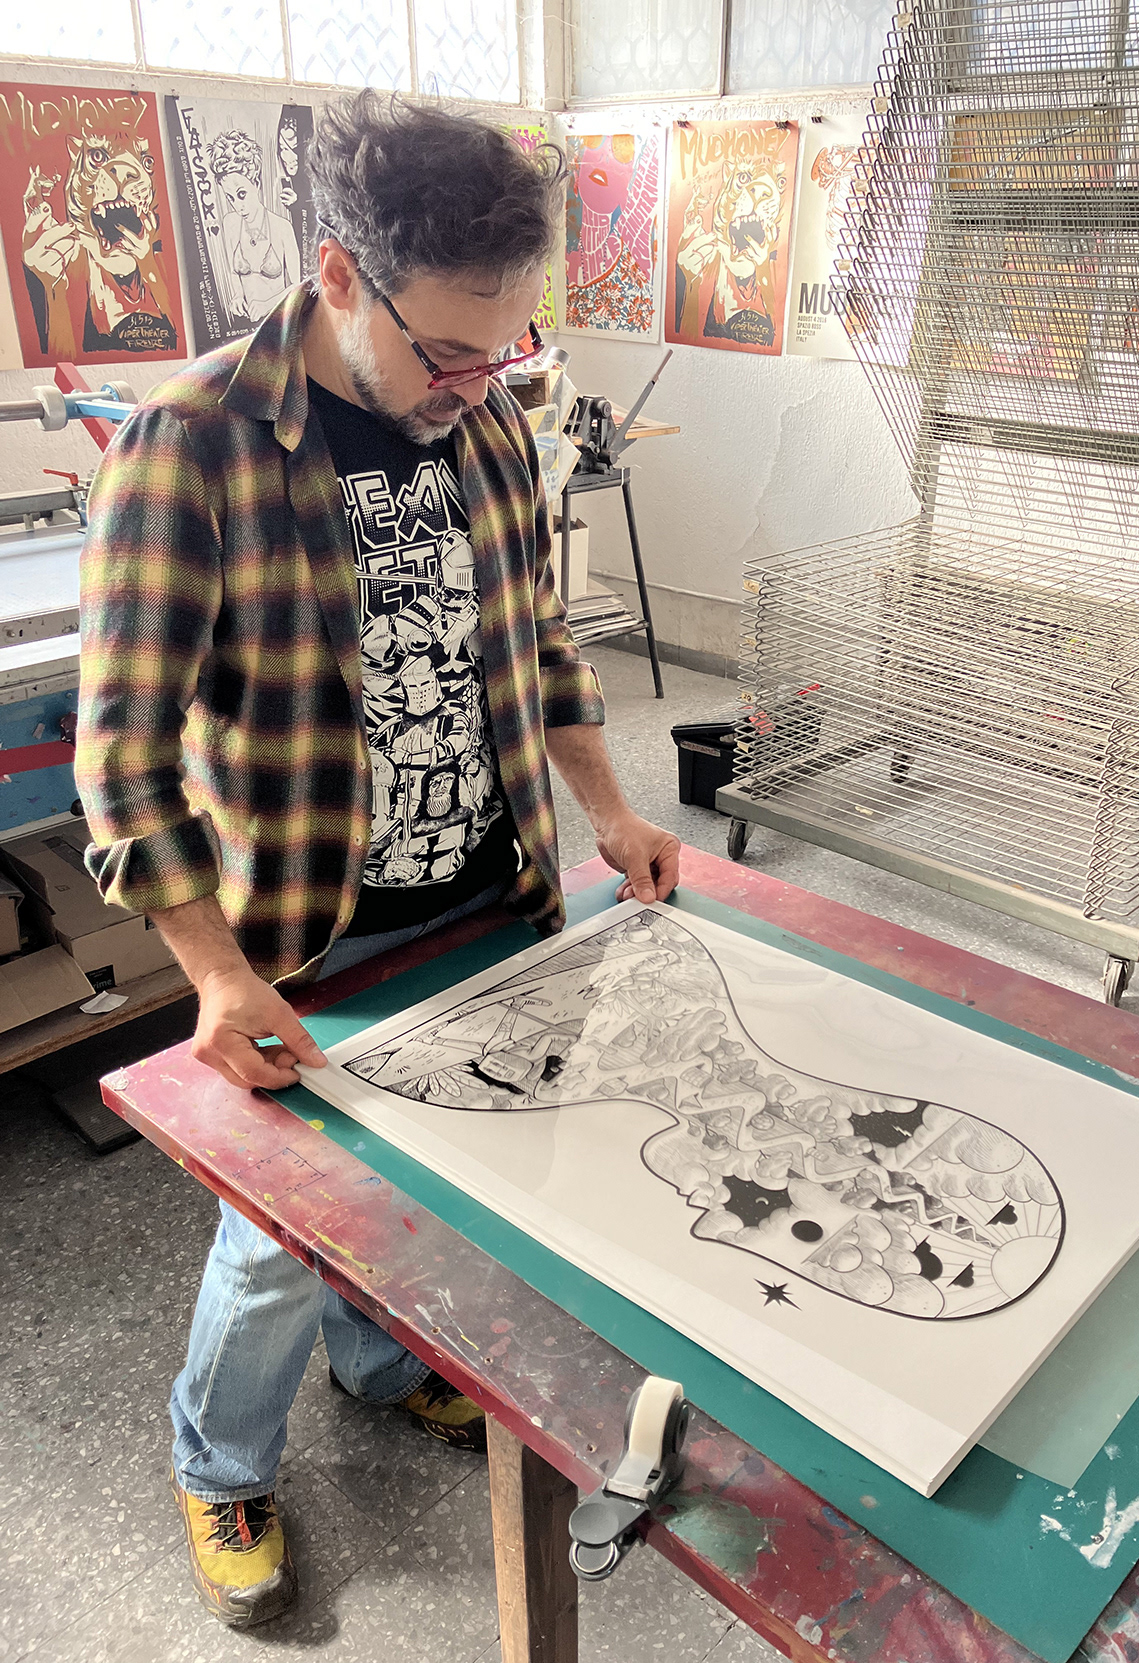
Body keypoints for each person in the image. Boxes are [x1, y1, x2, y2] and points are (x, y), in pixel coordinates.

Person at [74, 92, 680, 1631]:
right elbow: (123, 758)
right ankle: (219, 1459)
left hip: (492, 898)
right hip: (309, 935)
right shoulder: (189, 444)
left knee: (442, 1180)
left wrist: (608, 809)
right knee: (280, 1237)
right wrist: (212, 973)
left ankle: (381, 1359)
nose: (478, 384)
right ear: (340, 275)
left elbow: (538, 644)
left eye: (506, 350)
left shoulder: (485, 421)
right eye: (449, 351)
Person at [206, 128, 302, 325]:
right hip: (244, 324)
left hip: (277, 323)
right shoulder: (230, 223)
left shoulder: (282, 228)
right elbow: (234, 273)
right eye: (230, 198)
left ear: (256, 184)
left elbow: (298, 288)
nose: (238, 206)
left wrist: (268, 305)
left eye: (242, 195)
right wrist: (237, 297)